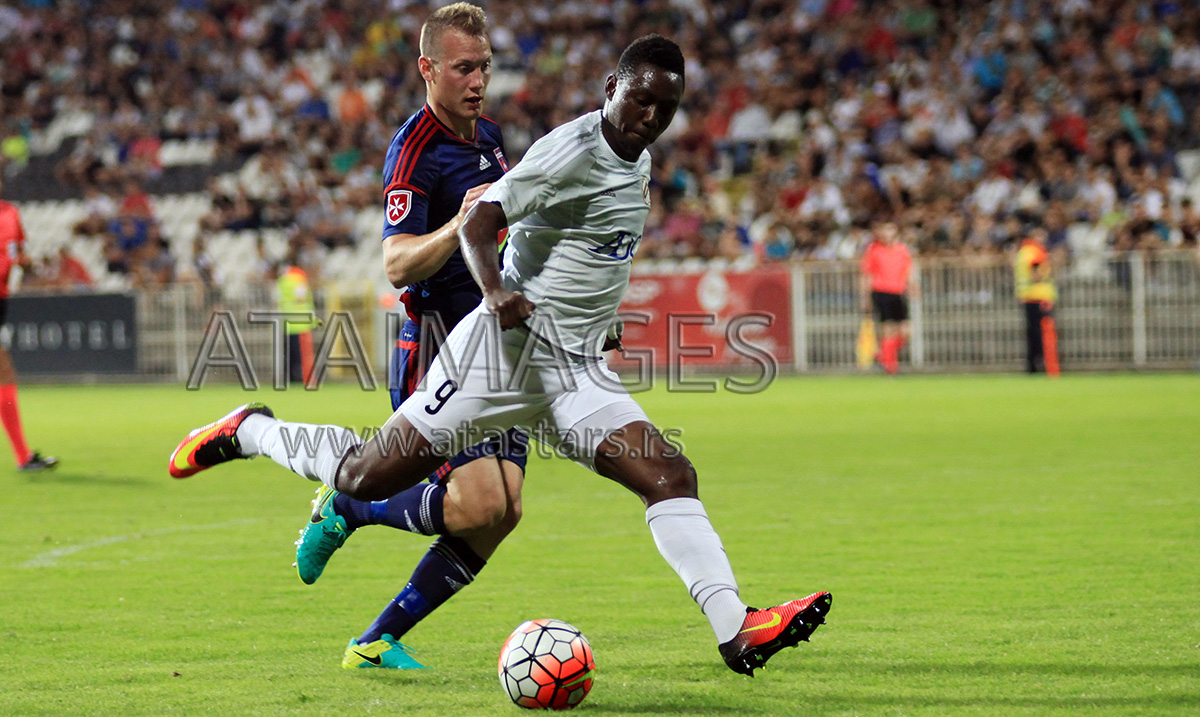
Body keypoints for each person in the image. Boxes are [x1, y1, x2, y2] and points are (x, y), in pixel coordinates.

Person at [169, 34, 830, 677]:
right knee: (365, 476)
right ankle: (249, 431)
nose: (651, 117)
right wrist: (495, 293)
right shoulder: (571, 150)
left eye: (666, 107)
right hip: (500, 357)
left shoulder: (637, 156)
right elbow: (484, 218)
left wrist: (597, 322)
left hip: (573, 370)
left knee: (668, 475)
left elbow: (583, 251)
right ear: (611, 88)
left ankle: (736, 629)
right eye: (640, 99)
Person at [172, 3, 528, 672]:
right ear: (427, 68)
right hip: (437, 345)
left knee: (502, 512)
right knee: (479, 502)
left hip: (497, 347)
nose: (478, 80)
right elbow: (396, 262)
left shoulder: (490, 137)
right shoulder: (414, 149)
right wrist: (459, 224)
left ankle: (376, 641)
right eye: (463, 68)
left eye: (484, 66)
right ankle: (336, 493)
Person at [0, 176, 57, 471]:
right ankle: (22, 455)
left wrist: (26, 263)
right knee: (4, 373)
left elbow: (17, 252)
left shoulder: (10, 213)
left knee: (4, 373)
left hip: (2, 297)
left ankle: (23, 455)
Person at [859, 219, 916, 374]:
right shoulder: (874, 250)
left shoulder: (902, 250)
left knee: (905, 331)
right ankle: (890, 365)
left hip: (899, 291)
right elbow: (866, 274)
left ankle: (884, 353)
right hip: (881, 291)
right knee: (888, 329)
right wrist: (865, 296)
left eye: (890, 229)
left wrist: (912, 286)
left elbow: (908, 270)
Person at [1014, 227, 1059, 376]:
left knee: (1032, 334)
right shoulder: (1036, 252)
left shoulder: (1023, 252)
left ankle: (1032, 366)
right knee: (1042, 335)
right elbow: (1036, 273)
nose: (1043, 239)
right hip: (1039, 296)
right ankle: (1044, 365)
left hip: (1027, 296)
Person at [275, 254, 317, 386]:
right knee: (304, 356)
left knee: (289, 355)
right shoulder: (300, 279)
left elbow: (278, 299)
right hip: (302, 323)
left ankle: (290, 379)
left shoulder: (283, 280)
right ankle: (306, 379)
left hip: (287, 322)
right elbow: (302, 298)